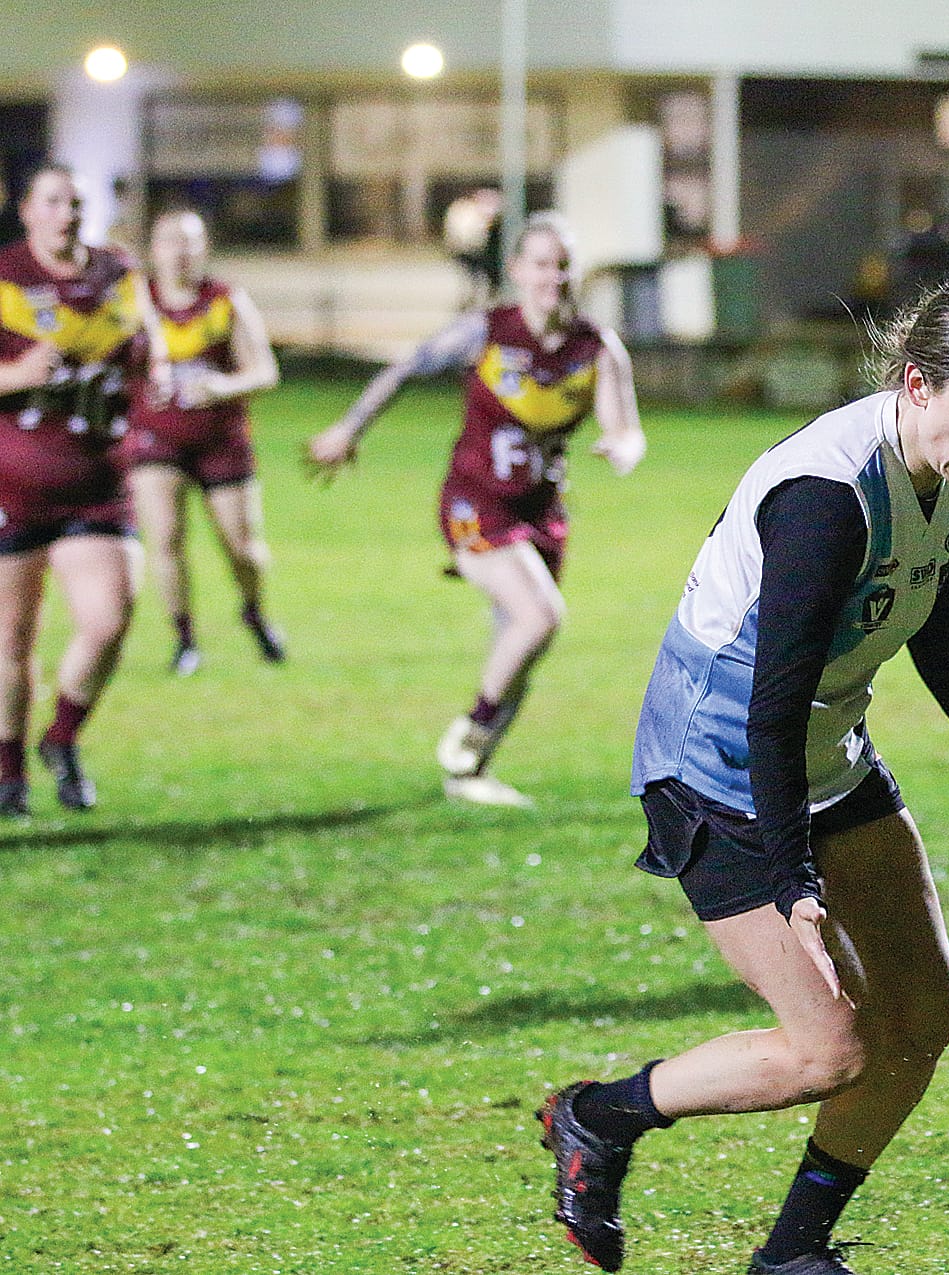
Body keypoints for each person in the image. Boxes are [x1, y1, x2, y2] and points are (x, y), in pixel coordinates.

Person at [538, 264, 949, 1275]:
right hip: (716, 765)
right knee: (829, 1048)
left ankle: (791, 1254)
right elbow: (769, 699)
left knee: (927, 1012)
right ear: (915, 380)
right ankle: (599, 1117)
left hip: (825, 748)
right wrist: (791, 876)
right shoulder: (826, 496)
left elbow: (944, 644)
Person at [307, 211, 647, 808]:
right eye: (541, 263)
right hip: (475, 500)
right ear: (516, 270)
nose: (553, 276)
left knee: (519, 649)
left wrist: (621, 447)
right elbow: (405, 369)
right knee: (541, 617)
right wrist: (349, 428)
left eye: (563, 264)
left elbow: (627, 428)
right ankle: (473, 726)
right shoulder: (487, 331)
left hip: (543, 513)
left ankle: (470, 773)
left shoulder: (596, 347)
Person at [0, 163, 158, 814]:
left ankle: (61, 736)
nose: (67, 212)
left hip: (98, 479)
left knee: (109, 617)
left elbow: (145, 353)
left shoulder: (117, 275)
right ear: (27, 211)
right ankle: (9, 773)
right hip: (13, 482)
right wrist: (18, 375)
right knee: (13, 639)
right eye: (54, 201)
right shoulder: (5, 277)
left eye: (75, 201)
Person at [121, 208, 285, 675]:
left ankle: (253, 611)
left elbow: (265, 371)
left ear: (205, 247)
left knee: (243, 548)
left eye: (189, 241)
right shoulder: (136, 303)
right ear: (153, 250)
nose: (180, 251)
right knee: (166, 539)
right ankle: (184, 637)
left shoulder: (225, 301)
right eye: (170, 240)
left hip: (221, 440)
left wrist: (221, 387)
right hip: (155, 438)